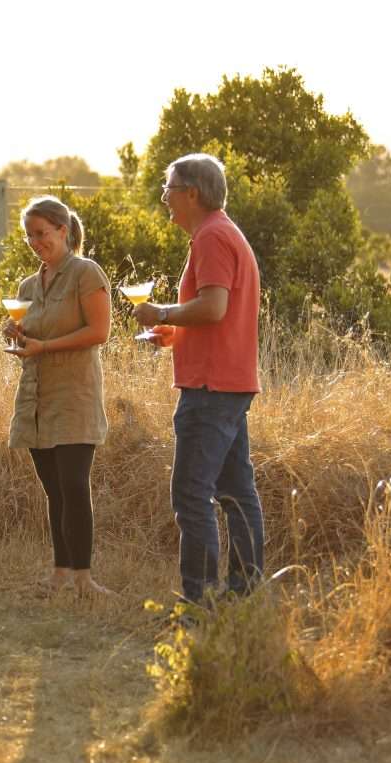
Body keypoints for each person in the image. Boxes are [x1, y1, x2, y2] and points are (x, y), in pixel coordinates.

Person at [133, 152, 264, 604]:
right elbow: (214, 314)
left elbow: (213, 308)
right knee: (235, 493)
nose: (164, 197)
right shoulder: (223, 232)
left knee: (191, 495)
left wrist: (163, 311)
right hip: (230, 381)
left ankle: (200, 603)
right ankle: (243, 597)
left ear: (191, 192)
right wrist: (174, 331)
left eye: (168, 188)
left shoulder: (211, 237)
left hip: (210, 388)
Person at [3, 196, 113, 598]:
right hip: (36, 397)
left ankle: (84, 578)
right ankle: (61, 573)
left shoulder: (86, 272)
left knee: (73, 484)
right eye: (29, 235)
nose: (35, 242)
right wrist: (15, 335)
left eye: (42, 233)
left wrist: (43, 348)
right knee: (53, 489)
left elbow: (99, 333)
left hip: (75, 395)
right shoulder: (29, 285)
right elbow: (31, 331)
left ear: (63, 231)